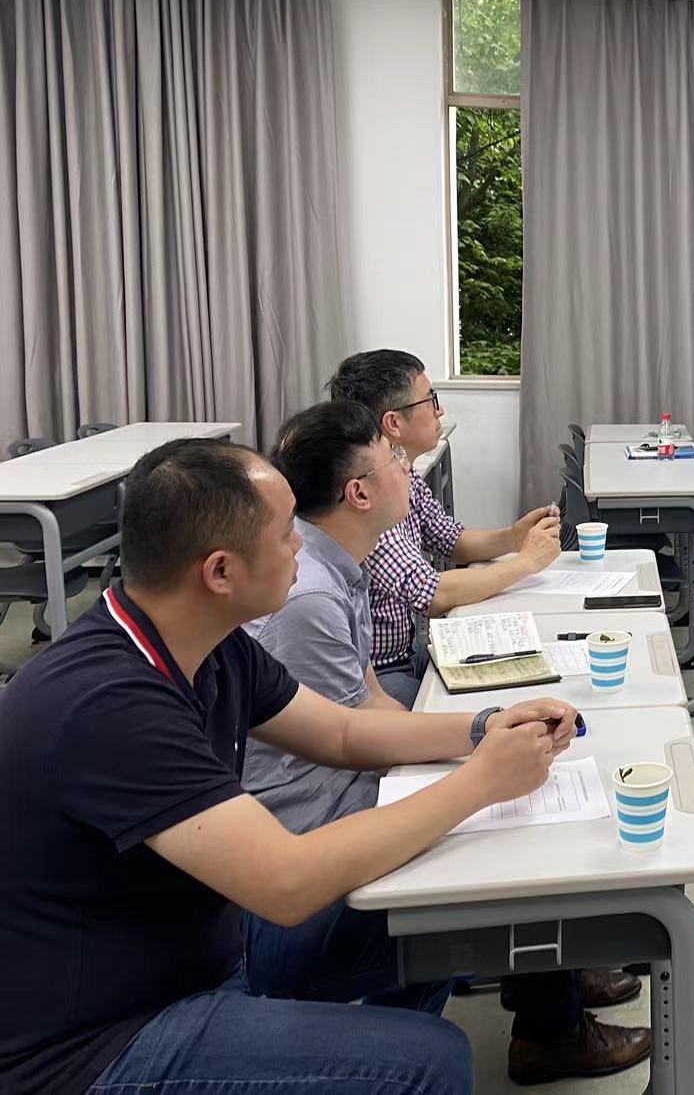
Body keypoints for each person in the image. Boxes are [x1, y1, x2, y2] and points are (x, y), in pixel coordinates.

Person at [0, 437, 579, 1094]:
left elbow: (341, 732)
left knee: (434, 916)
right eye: (284, 535)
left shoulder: (207, 640)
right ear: (220, 572)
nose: (301, 544)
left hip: (204, 950)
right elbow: (286, 882)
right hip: (99, 1044)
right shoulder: (109, 702)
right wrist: (481, 783)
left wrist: (482, 728)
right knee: (430, 1063)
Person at [243, 403, 653, 1084]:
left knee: (509, 796)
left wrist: (482, 729)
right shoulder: (309, 590)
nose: (410, 470)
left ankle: (543, 993)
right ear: (359, 492)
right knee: (510, 837)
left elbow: (365, 713)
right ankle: (541, 1018)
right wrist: (476, 771)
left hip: (344, 795)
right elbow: (353, 743)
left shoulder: (337, 566)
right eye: (395, 461)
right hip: (321, 836)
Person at [325, 350, 561, 693]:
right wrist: (526, 562)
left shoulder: (403, 473)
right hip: (384, 671)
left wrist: (515, 536)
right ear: (394, 423)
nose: (440, 410)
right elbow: (432, 593)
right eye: (430, 399)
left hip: (409, 651)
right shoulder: (370, 496)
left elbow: (449, 539)